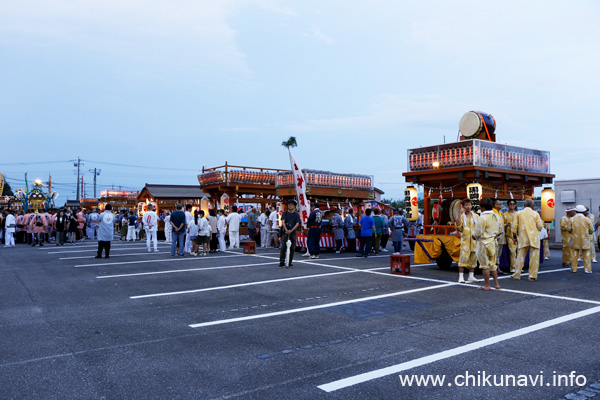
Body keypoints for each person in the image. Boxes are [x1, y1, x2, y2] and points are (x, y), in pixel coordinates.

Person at [511, 198, 544, 281]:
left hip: (523, 237)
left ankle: (517, 274)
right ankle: (532, 276)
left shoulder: (518, 213)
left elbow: (514, 228)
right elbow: (540, 226)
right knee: (534, 258)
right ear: (532, 205)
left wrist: (514, 238)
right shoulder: (535, 214)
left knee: (520, 256)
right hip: (534, 238)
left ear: (524, 205)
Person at [472, 198, 501, 290]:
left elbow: (477, 232)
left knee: (484, 265)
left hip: (483, 242)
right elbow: (500, 230)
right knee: (493, 264)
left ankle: (487, 285)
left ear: (482, 207)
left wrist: (474, 236)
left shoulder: (482, 217)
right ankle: (496, 284)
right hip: (493, 241)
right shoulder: (496, 216)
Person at [455, 198, 480, 284]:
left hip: (474, 240)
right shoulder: (461, 216)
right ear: (463, 206)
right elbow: (458, 226)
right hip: (465, 240)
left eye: (469, 205)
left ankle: (471, 276)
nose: (468, 207)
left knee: (473, 258)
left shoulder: (476, 216)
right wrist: (460, 213)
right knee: (463, 258)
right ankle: (461, 277)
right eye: (466, 205)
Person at [570, 204, 594, 274]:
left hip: (574, 240)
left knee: (574, 254)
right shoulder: (587, 220)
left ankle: (574, 269)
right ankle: (587, 269)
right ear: (583, 212)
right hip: (585, 240)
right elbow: (591, 230)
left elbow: (569, 229)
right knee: (586, 254)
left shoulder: (571, 219)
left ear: (576, 211)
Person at [279, 200, 301, 267]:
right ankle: (281, 262)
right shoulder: (285, 213)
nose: (289, 206)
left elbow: (297, 223)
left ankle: (289, 261)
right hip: (285, 232)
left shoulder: (296, 214)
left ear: (294, 206)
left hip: (293, 232)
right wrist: (286, 230)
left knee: (292, 247)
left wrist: (291, 230)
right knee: (283, 247)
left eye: (291, 205)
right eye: (289, 204)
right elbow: (283, 222)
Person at [503, 199, 519, 273]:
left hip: (518, 235)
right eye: (510, 204)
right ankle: (513, 267)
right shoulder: (505, 214)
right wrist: (506, 225)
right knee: (512, 251)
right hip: (509, 235)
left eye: (513, 204)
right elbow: (501, 225)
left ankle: (518, 267)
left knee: (519, 251)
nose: (512, 205)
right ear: (508, 205)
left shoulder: (518, 214)